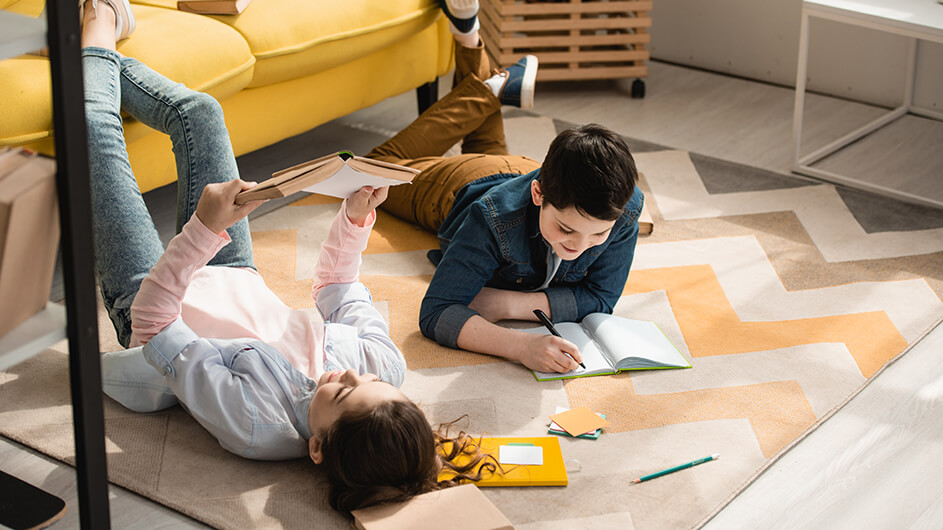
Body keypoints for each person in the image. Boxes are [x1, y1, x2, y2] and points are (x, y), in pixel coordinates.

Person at [81, 0, 494, 513]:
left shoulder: (255, 422)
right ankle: (99, 44)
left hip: (150, 299)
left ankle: (96, 32)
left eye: (342, 395)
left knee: (91, 131)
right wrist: (355, 218)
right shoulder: (383, 369)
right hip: (234, 273)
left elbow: (156, 324)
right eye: (368, 383)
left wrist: (204, 230)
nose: (348, 375)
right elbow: (337, 290)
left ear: (316, 448)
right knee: (201, 113)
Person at [373, 0, 645, 374]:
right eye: (566, 229)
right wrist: (520, 346)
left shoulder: (623, 208)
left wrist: (507, 305)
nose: (578, 247)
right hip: (461, 186)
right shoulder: (494, 218)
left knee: (485, 144)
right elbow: (436, 311)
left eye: (598, 234)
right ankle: (490, 89)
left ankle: (471, 38)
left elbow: (601, 297)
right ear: (539, 195)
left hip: (522, 171)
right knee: (378, 168)